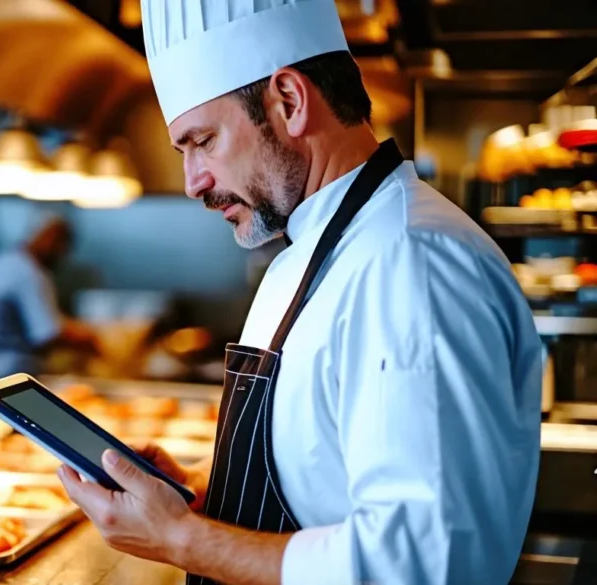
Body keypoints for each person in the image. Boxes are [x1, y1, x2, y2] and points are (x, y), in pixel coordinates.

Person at [55, 2, 543, 584]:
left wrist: (183, 539)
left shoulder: (411, 264)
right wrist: (206, 495)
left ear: (289, 100)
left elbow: (421, 565)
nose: (193, 182)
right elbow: (320, 480)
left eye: (202, 141)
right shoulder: (307, 254)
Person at [0, 216, 95, 379]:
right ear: (50, 239)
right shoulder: (30, 273)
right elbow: (47, 334)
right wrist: (91, 341)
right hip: (19, 371)